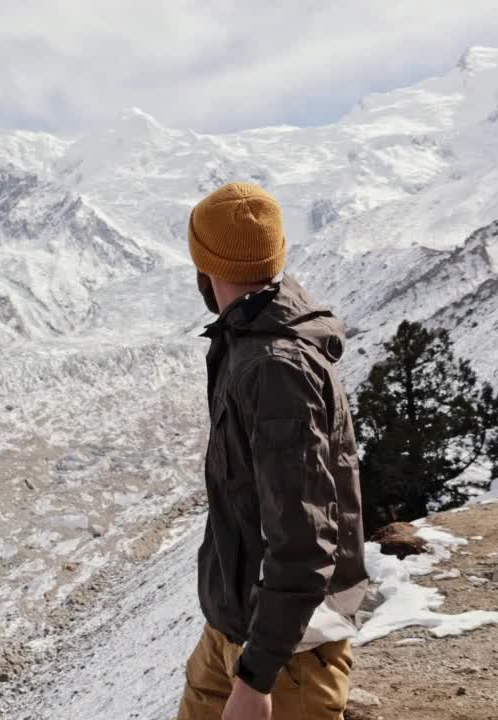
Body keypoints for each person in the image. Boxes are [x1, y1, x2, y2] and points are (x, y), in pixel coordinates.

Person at [178, 182, 368, 720]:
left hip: (288, 655)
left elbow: (306, 538)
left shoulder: (275, 368)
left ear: (204, 263)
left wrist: (256, 677)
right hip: (235, 631)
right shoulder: (247, 339)